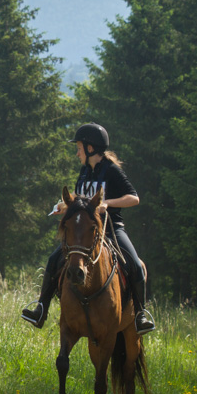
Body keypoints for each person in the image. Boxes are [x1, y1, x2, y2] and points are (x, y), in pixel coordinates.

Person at [20, 123, 156, 335]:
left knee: (135, 265)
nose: (77, 153)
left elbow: (134, 198)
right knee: (54, 259)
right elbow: (79, 200)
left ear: (90, 148)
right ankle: (41, 309)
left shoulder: (112, 171)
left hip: (111, 229)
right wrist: (64, 206)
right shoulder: (84, 172)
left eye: (79, 148)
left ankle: (140, 315)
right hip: (85, 233)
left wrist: (107, 203)